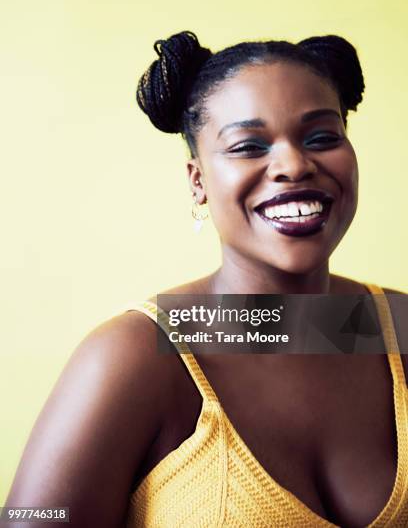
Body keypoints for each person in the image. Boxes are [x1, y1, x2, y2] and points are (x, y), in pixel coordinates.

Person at [4, 31, 407, 528]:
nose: (294, 165)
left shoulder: (398, 327)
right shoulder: (134, 357)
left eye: (321, 137)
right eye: (247, 146)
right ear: (197, 181)